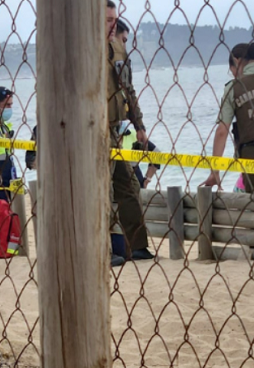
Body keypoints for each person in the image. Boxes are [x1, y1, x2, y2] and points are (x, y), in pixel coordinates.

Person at [106, 0, 155, 261]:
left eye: (114, 19)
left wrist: (139, 126)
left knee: (129, 185)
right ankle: (103, 248)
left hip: (115, 130)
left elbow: (129, 89)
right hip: (94, 131)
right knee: (103, 190)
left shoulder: (119, 50)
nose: (112, 25)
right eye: (106, 20)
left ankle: (137, 246)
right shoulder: (85, 53)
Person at [201, 42, 254, 194]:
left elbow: (221, 131)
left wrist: (215, 171)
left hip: (252, 155)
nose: (232, 73)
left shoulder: (233, 88)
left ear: (237, 61)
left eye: (231, 69)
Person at [119, 120, 160, 188]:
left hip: (134, 176)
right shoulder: (107, 138)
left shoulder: (134, 135)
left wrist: (148, 178)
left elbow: (156, 153)